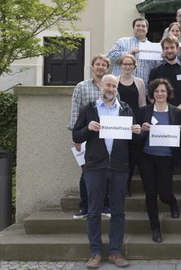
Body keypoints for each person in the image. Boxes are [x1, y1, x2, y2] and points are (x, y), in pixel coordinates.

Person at [72, 74, 142, 269]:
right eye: (108, 85)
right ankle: (95, 253)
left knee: (118, 212)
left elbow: (134, 141)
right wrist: (88, 128)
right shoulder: (89, 109)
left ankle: (115, 252)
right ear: (101, 85)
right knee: (94, 211)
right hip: (95, 167)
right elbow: (76, 135)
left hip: (119, 167)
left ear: (117, 87)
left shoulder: (126, 110)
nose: (110, 89)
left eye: (114, 86)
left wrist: (137, 132)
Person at [136, 78, 181, 243]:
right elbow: (135, 135)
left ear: (168, 93)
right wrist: (141, 130)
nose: (159, 94)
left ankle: (172, 203)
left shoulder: (175, 112)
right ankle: (155, 228)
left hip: (166, 158)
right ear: (152, 94)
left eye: (163, 91)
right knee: (150, 193)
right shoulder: (144, 111)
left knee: (164, 193)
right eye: (157, 91)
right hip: (147, 157)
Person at [149, 35, 181, 198]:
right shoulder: (156, 71)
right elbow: (151, 96)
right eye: (166, 48)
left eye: (172, 47)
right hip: (161, 119)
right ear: (163, 51)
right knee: (162, 156)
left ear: (177, 49)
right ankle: (162, 189)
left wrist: (178, 109)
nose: (169, 50)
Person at [68, 54, 111, 220]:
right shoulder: (81, 86)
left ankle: (105, 205)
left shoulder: (111, 86)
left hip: (107, 137)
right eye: (98, 64)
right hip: (87, 136)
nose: (100, 67)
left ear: (107, 68)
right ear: (92, 67)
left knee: (107, 172)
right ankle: (84, 206)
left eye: (103, 65)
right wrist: (76, 137)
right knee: (86, 173)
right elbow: (75, 111)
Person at [117, 54, 146, 197]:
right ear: (120, 65)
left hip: (134, 123)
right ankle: (121, 185)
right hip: (119, 124)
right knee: (121, 156)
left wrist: (140, 124)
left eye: (130, 64)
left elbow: (142, 104)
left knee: (131, 156)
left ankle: (127, 184)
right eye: (125, 64)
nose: (127, 67)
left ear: (134, 66)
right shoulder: (114, 81)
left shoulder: (139, 82)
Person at [107, 17, 159, 94]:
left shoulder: (153, 47)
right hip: (119, 89)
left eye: (143, 26)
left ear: (147, 29)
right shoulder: (122, 42)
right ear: (133, 28)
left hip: (142, 90)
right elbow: (111, 56)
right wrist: (129, 54)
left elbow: (156, 68)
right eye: (138, 26)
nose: (140, 28)